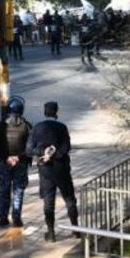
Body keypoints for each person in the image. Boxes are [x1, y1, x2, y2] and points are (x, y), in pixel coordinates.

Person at [28, 101, 78, 242]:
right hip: (62, 168)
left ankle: (51, 233)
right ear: (56, 112)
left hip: (45, 171)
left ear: (44, 112)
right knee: (69, 198)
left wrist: (44, 153)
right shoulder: (62, 127)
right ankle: (76, 229)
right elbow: (66, 147)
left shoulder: (37, 128)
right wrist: (54, 154)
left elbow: (29, 150)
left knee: (48, 202)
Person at [0, 96, 32, 228]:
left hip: (5, 163)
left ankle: (3, 218)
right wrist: (19, 157)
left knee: (4, 190)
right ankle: (17, 218)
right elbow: (30, 147)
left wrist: (7, 157)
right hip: (21, 163)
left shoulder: (0, 125)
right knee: (18, 190)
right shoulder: (27, 126)